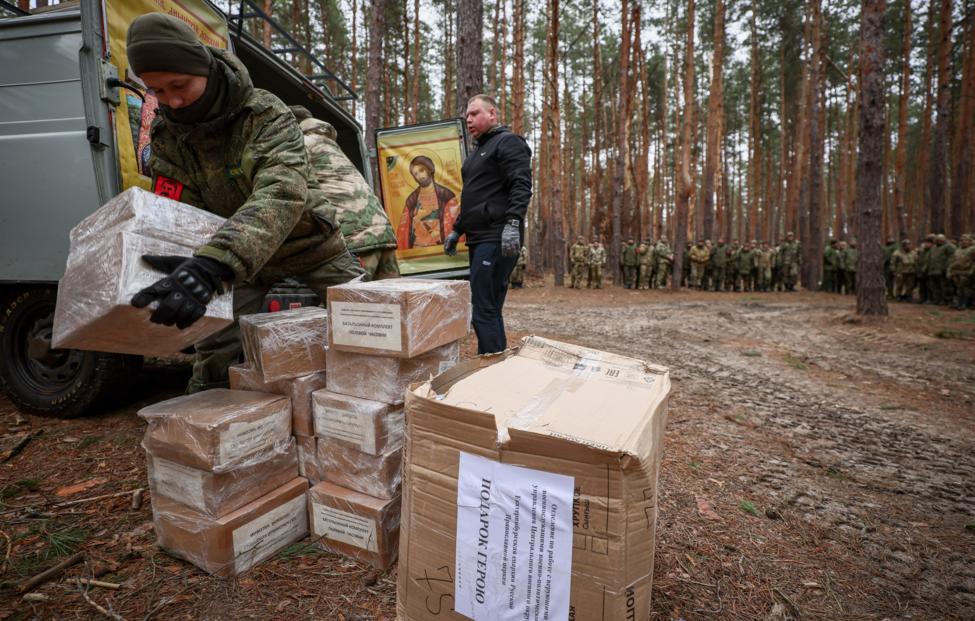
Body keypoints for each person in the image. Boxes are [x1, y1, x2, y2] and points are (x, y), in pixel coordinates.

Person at [124, 13, 362, 393]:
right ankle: (210, 423)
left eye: (179, 85)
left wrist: (213, 265)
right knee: (214, 351)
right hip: (234, 261)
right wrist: (179, 262)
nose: (173, 101)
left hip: (307, 244)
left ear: (202, 67)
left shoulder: (264, 113)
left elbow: (281, 193)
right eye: (158, 91)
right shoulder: (168, 135)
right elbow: (177, 209)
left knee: (370, 321)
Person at [444, 94, 531, 354]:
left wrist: (513, 223)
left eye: (474, 114)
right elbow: (474, 197)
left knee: (482, 308)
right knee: (489, 306)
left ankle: (491, 362)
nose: (468, 120)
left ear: (492, 114)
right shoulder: (477, 154)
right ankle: (494, 360)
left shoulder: (508, 142)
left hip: (498, 236)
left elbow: (521, 185)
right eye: (467, 116)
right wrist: (457, 229)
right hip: (479, 238)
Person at [289, 105, 399, 280]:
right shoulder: (330, 145)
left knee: (353, 296)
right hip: (383, 230)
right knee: (390, 295)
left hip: (356, 235)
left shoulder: (302, 144)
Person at [397, 155, 460, 249]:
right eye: (415, 174)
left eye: (421, 170)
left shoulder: (446, 195)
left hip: (441, 247)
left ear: (429, 169)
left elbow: (457, 222)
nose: (419, 176)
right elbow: (404, 230)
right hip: (418, 248)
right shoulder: (411, 200)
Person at [947, 234, 973, 309]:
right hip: (956, 272)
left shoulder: (972, 249)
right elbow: (952, 261)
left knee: (966, 289)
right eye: (962, 240)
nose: (963, 242)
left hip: (966, 272)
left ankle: (965, 303)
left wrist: (971, 271)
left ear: (970, 241)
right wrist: (949, 270)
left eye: (965, 240)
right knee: (959, 289)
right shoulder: (958, 250)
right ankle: (959, 302)